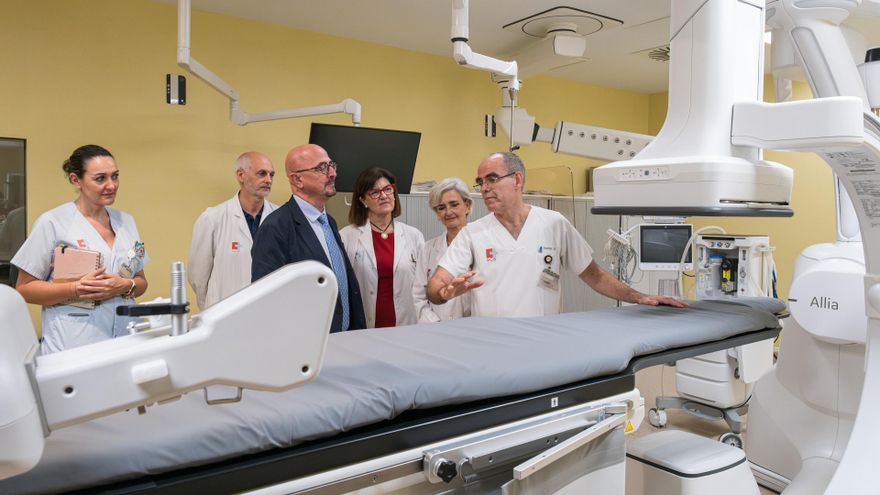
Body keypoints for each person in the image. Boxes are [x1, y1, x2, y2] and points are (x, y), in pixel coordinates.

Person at [427, 151, 685, 317]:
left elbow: (594, 276)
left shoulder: (553, 224)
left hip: (544, 339)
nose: (484, 188)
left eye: (492, 179)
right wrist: (444, 294)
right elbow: (435, 286)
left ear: (517, 180)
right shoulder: (473, 233)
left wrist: (640, 296)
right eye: (480, 182)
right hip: (493, 342)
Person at [12, 144, 149, 354]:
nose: (111, 185)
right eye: (100, 178)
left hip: (125, 338)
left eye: (115, 176)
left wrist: (123, 285)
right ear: (76, 180)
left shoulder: (126, 222)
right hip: (73, 344)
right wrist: (75, 289)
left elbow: (140, 282)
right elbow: (25, 288)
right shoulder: (53, 223)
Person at [251, 144, 366, 332]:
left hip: (345, 339)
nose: (332, 174)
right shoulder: (276, 227)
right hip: (307, 344)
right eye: (322, 168)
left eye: (332, 165)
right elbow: (267, 299)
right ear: (297, 180)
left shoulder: (329, 221)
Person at [187, 151, 278, 310]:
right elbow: (198, 277)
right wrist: (210, 308)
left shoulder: (279, 219)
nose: (268, 180)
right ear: (241, 175)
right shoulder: (212, 219)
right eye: (261, 174)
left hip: (269, 310)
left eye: (271, 175)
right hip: (225, 313)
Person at [339, 168, 425, 328]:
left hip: (407, 323)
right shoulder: (347, 236)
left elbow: (423, 285)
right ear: (363, 200)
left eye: (387, 189)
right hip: (364, 324)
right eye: (375, 192)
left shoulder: (414, 235)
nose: (384, 196)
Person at [412, 178, 473, 323]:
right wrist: (435, 325)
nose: (448, 212)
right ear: (437, 214)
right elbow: (419, 296)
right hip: (437, 328)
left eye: (454, 204)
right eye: (441, 207)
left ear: (468, 206)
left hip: (475, 328)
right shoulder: (428, 249)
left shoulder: (482, 244)